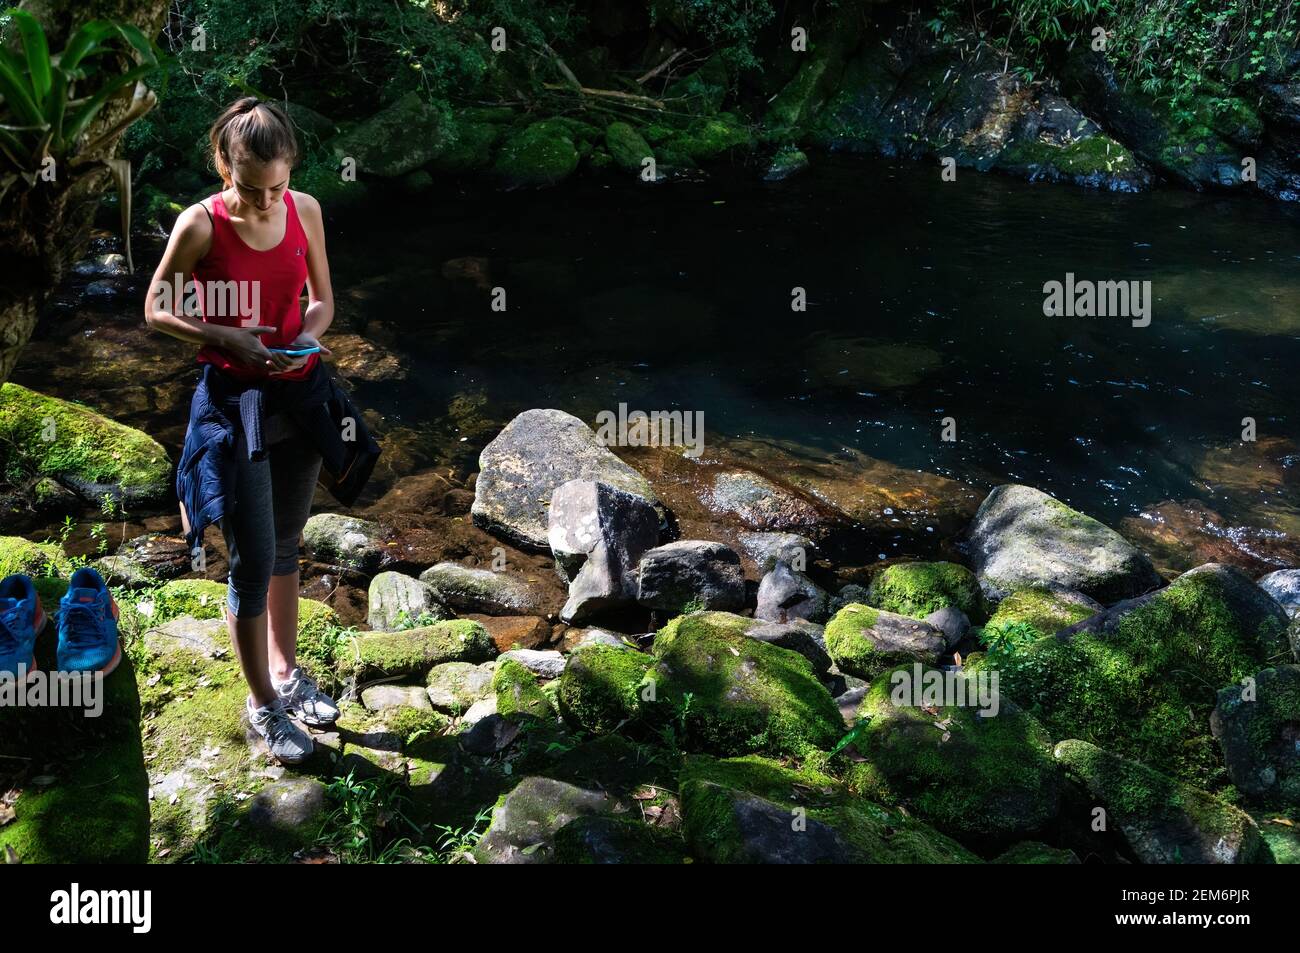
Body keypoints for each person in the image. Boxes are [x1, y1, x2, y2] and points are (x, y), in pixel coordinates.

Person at [144, 97, 342, 764]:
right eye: (251, 188)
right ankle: (261, 706)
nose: (265, 200)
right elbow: (155, 305)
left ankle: (287, 673)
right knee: (252, 559)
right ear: (223, 164)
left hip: (298, 393)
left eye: (277, 186)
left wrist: (302, 340)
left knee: (288, 543)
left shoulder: (304, 209)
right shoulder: (199, 225)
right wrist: (218, 332)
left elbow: (322, 302)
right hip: (234, 405)